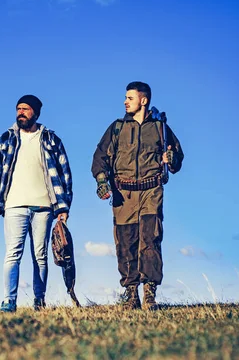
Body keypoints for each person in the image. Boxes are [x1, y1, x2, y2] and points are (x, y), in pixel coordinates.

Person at [91, 81, 184, 311]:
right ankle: (131, 294)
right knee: (126, 242)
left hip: (152, 190)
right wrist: (102, 181)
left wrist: (171, 160)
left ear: (143, 100)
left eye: (129, 98)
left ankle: (149, 294)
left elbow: (177, 157)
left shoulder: (160, 127)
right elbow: (99, 157)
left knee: (150, 240)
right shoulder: (117, 127)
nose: (125, 102)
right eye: (125, 98)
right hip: (124, 193)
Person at [0, 95, 73, 312]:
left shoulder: (50, 139)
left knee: (40, 255)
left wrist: (63, 206)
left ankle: (39, 300)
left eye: (26, 109)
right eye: (18, 109)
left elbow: (65, 174)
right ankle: (9, 300)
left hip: (44, 207)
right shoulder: (5, 139)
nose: (21, 112)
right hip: (14, 205)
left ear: (36, 112)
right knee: (13, 253)